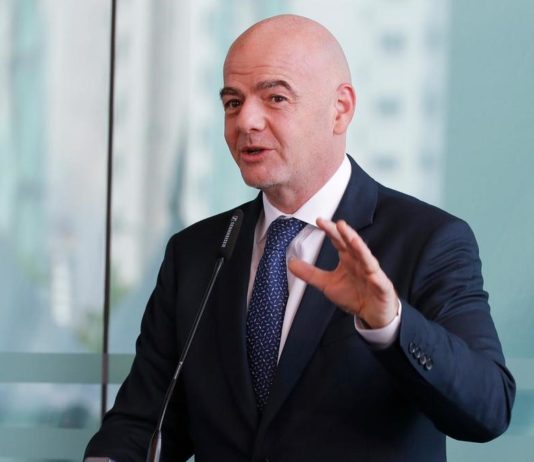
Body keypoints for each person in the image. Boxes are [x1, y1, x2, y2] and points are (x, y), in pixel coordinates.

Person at [85, 14, 515, 461]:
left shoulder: (428, 240)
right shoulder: (196, 253)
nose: (246, 121)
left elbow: (488, 409)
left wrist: (390, 324)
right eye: (233, 102)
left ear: (340, 109)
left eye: (275, 97)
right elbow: (144, 423)